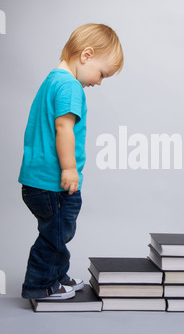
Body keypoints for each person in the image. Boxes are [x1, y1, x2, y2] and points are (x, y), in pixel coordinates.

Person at [18, 24, 124, 300]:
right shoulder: (70, 87)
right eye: (102, 74)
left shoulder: (53, 80)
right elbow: (63, 128)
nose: (99, 82)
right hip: (52, 182)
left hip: (38, 182)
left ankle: (56, 275)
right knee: (55, 235)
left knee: (59, 230)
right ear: (86, 55)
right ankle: (40, 285)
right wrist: (69, 168)